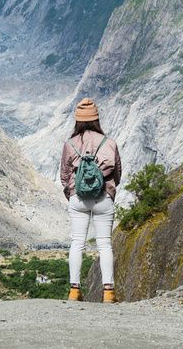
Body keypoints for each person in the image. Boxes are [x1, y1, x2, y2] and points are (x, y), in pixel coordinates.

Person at [60, 98, 121, 303]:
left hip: (78, 199)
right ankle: (108, 293)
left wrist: (72, 193)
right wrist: (108, 191)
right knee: (104, 245)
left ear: (77, 120)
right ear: (96, 119)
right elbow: (117, 174)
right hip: (103, 196)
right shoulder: (109, 143)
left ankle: (74, 291)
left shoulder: (70, 144)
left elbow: (64, 175)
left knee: (77, 242)